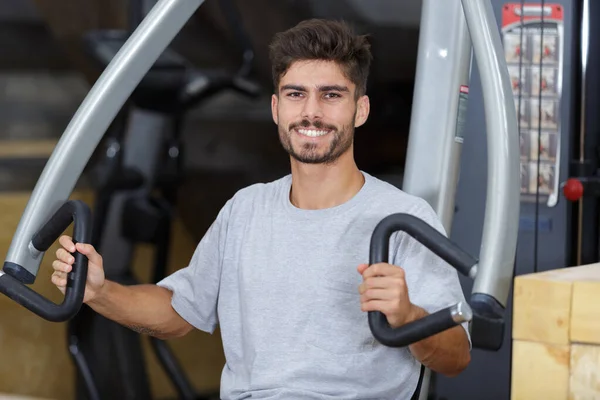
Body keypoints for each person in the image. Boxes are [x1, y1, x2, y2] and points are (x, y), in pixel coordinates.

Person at [51, 18, 471, 399]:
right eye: (296, 94)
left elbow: (456, 357)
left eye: (331, 95)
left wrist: (409, 315)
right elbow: (180, 312)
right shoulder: (245, 211)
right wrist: (100, 293)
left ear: (359, 110)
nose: (311, 111)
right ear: (276, 108)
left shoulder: (403, 219)